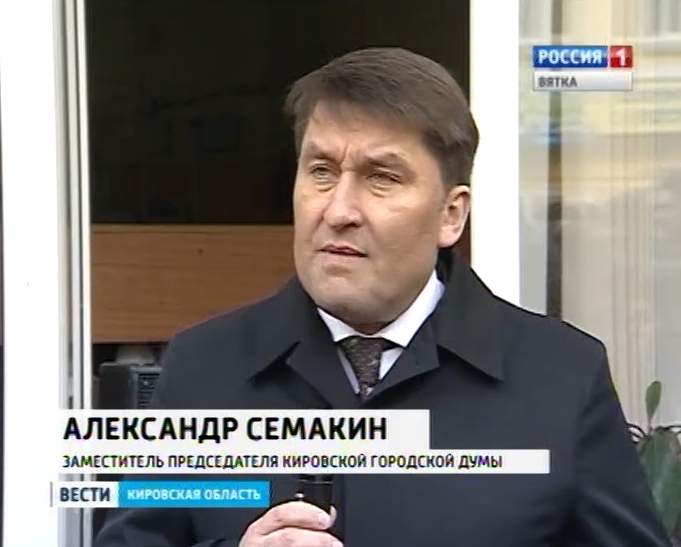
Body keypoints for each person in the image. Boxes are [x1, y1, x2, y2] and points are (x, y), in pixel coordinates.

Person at [96, 47, 672, 547]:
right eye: (321, 171)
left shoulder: (560, 377)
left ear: (451, 215)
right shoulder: (203, 367)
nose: (338, 210)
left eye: (382, 178)